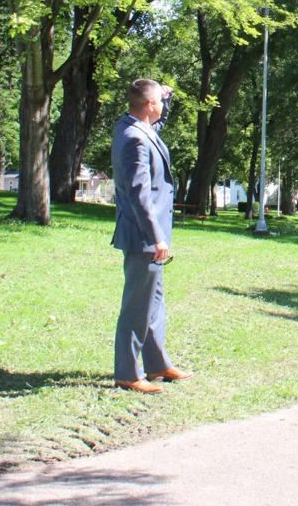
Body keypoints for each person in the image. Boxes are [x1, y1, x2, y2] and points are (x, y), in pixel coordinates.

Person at [110, 79, 191, 394]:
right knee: (136, 305)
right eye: (160, 101)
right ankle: (128, 373)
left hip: (149, 233)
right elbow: (138, 193)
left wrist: (164, 98)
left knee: (153, 302)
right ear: (149, 106)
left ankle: (157, 364)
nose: (163, 105)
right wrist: (156, 237)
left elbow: (155, 121)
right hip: (144, 233)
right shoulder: (135, 138)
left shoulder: (135, 127)